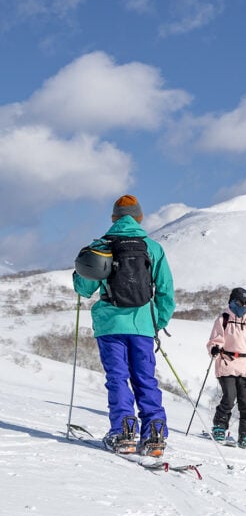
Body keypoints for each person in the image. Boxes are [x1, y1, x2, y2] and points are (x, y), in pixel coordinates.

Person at [72, 194, 175, 457]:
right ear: (140, 218)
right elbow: (165, 292)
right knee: (145, 379)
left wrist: (79, 270)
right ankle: (154, 435)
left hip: (110, 326)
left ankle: (123, 432)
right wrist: (156, 322)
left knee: (117, 377)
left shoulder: (102, 245)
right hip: (142, 326)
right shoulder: (153, 248)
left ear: (113, 218)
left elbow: (84, 287)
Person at [205, 287, 246, 449]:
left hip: (244, 367)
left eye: (244, 302)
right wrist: (214, 348)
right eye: (239, 302)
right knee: (229, 398)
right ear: (232, 301)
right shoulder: (224, 319)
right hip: (226, 363)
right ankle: (220, 427)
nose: (242, 305)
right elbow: (215, 340)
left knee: (245, 403)